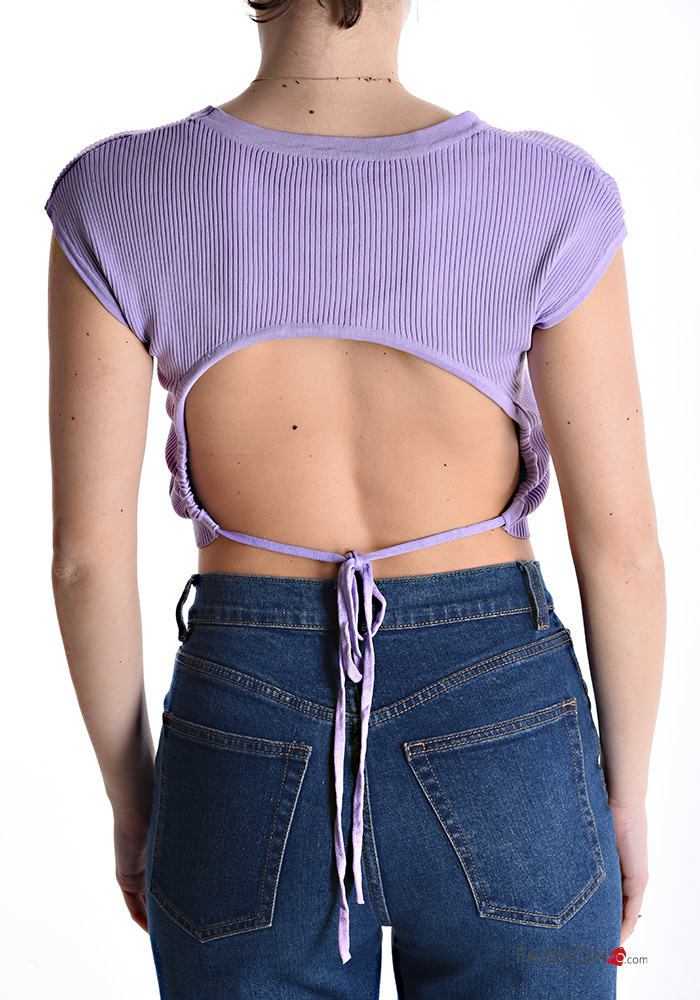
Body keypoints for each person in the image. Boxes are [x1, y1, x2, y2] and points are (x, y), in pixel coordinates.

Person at [45, 0, 665, 996]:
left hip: (243, 709)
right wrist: (622, 799)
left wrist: (135, 803)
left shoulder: (117, 193)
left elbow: (86, 560)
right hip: (502, 716)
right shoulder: (552, 193)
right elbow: (624, 550)